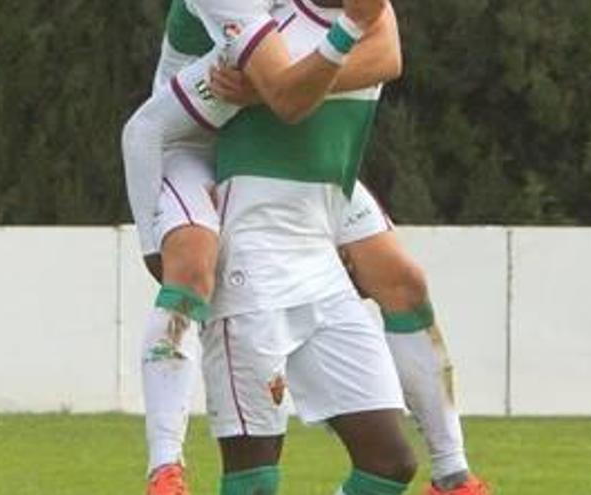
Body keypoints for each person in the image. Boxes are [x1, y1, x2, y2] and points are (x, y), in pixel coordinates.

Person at [122, 0, 408, 494]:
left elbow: (387, 57)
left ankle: (454, 468)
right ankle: (165, 467)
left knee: (391, 463)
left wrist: (289, 80)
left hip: (296, 219)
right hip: (197, 169)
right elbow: (284, 96)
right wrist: (153, 244)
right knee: (190, 267)